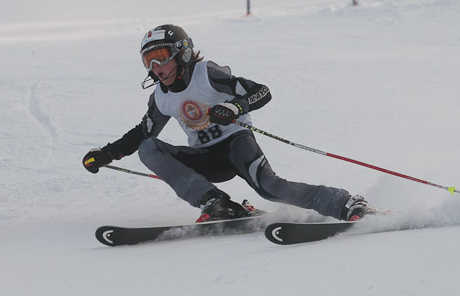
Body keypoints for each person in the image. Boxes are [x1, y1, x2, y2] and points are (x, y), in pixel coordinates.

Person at [82, 24, 374, 223]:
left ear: (181, 52)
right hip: (207, 159)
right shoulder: (161, 96)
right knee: (149, 147)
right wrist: (104, 155)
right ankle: (215, 202)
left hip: (237, 144)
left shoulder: (206, 74)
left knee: (269, 188)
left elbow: (260, 91)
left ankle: (343, 202)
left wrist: (234, 106)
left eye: (160, 58)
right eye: (149, 62)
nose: (156, 69)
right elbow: (142, 133)